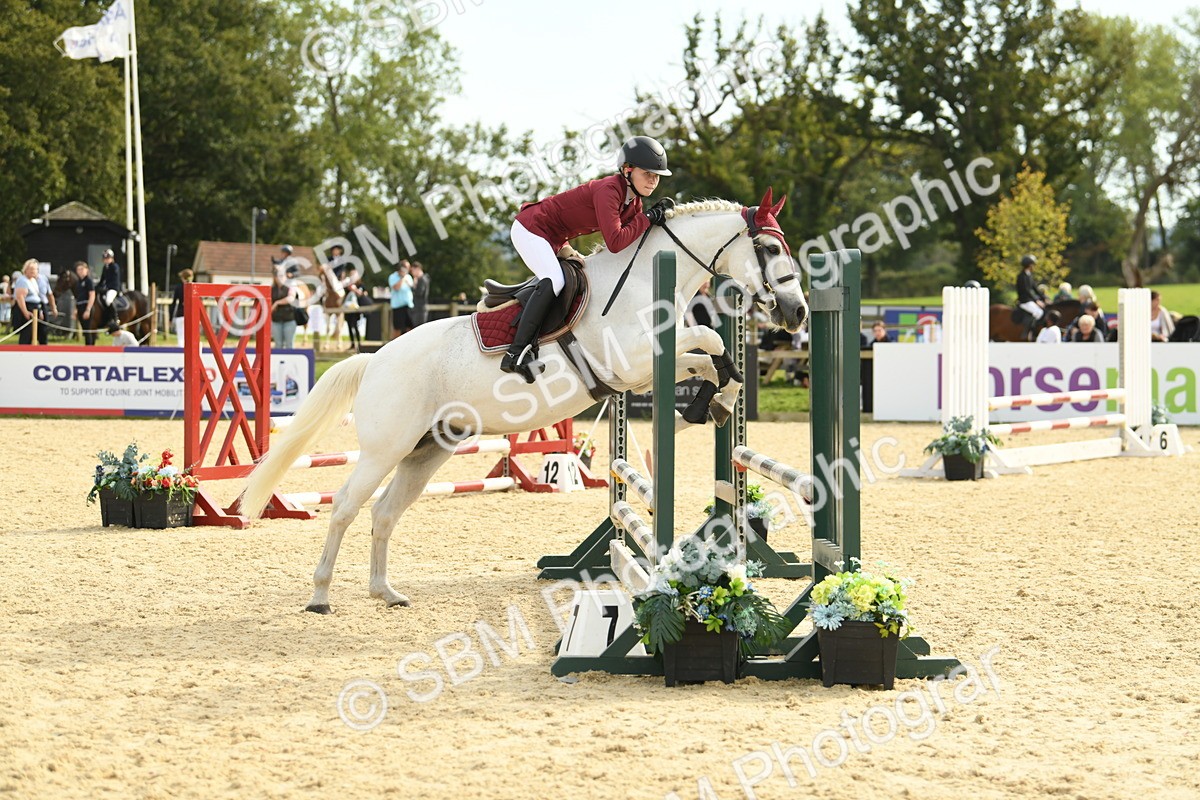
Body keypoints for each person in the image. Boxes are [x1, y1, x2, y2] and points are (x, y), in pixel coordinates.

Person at [501, 135, 674, 382]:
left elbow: (633, 237)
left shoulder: (633, 201)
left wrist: (655, 220)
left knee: (582, 274)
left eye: (657, 176)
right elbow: (615, 242)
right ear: (627, 170)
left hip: (557, 239)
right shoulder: (610, 191)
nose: (653, 180)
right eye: (648, 173)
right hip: (532, 229)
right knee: (555, 280)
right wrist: (647, 218)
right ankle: (516, 353)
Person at [12, 259, 48, 345]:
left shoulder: (33, 280)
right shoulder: (22, 280)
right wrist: (25, 312)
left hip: (37, 307)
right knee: (27, 334)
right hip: (28, 307)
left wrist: (40, 311)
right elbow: (20, 297)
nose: (33, 271)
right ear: (26, 269)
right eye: (31, 269)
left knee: (40, 333)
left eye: (35, 269)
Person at [1015, 255, 1046, 338]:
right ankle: (1028, 332)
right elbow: (1027, 291)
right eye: (1033, 264)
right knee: (1039, 312)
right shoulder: (1021, 276)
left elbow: (1035, 288)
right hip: (1024, 301)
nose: (1034, 266)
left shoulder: (1029, 275)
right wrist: (1037, 301)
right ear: (1029, 265)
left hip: (1029, 300)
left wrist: (1044, 298)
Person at [341, 267, 369, 352]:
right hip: (348, 310)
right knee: (349, 326)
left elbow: (364, 294)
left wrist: (355, 289)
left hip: (356, 310)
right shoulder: (346, 286)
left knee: (356, 326)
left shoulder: (361, 285)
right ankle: (352, 344)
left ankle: (359, 344)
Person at [270, 268, 298, 349]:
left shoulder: (290, 287)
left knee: (289, 345)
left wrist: (277, 303)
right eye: (278, 276)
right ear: (275, 278)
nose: (280, 278)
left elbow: (290, 299)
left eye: (282, 276)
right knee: (278, 345)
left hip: (289, 320)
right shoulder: (272, 289)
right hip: (276, 320)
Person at [96, 248, 123, 326]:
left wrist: (106, 288)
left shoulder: (115, 267)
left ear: (112, 258)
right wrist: (97, 287)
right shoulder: (105, 267)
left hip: (113, 288)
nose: (106, 260)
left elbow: (114, 280)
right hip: (107, 288)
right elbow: (102, 279)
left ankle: (115, 318)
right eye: (105, 258)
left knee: (108, 300)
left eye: (108, 258)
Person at [388, 260, 414, 339]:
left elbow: (412, 288)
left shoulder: (409, 277)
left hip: (409, 305)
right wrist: (402, 278)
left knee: (410, 328)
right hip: (398, 306)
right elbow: (396, 288)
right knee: (397, 328)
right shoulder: (393, 277)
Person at [73, 261, 97, 345]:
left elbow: (92, 295)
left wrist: (88, 309)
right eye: (78, 269)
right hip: (80, 306)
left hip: (86, 306)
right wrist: (76, 309)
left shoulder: (88, 281)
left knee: (88, 330)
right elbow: (78, 297)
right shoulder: (78, 283)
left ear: (86, 270)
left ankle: (89, 349)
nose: (80, 271)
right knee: (84, 331)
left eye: (82, 269)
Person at [170, 268, 193, 350]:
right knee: (190, 335)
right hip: (191, 314)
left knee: (180, 336)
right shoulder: (193, 287)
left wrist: (170, 317)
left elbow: (173, 303)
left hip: (180, 314)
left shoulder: (178, 287)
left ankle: (180, 351)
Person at [410, 262, 430, 327]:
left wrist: (413, 287)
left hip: (420, 309)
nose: (412, 272)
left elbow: (419, 293)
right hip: (419, 309)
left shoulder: (422, 279)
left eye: (413, 270)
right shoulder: (424, 278)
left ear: (418, 269)